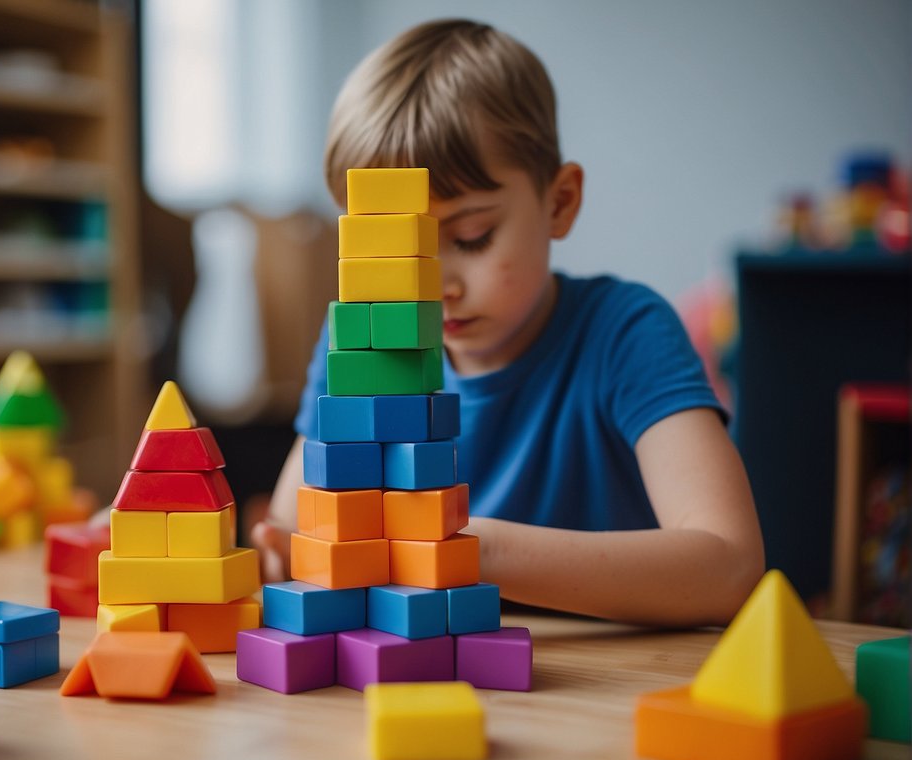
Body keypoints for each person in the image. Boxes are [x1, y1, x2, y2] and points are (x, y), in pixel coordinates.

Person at [250, 18, 764, 627]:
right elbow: (292, 528)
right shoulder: (361, 341)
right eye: (388, 251)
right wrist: (269, 555)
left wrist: (477, 550)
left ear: (559, 202)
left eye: (471, 237)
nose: (434, 285)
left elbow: (729, 566)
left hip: (607, 691)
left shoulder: (628, 333)